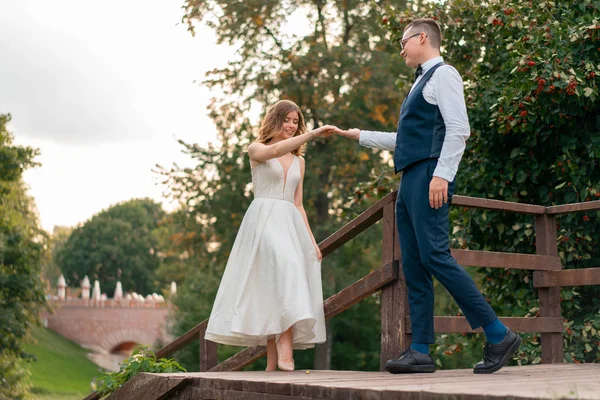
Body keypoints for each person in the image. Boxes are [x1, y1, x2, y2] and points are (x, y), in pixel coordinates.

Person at [336, 19, 521, 374]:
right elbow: (406, 140)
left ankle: (498, 334)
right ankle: (420, 349)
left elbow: (459, 129)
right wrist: (359, 135)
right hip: (410, 179)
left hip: (428, 176)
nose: (401, 48)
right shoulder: (420, 82)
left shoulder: (444, 74)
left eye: (403, 41)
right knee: (414, 265)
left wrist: (442, 175)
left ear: (423, 38)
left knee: (435, 256)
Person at [205, 99, 338, 371]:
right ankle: (285, 348)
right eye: (287, 121)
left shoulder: (300, 162)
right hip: (263, 221)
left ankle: (271, 365)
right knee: (286, 269)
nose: (291, 126)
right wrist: (312, 133)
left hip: (290, 222)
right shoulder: (257, 149)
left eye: (295, 122)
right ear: (275, 121)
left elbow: (298, 203)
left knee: (274, 286)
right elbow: (276, 149)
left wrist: (312, 242)